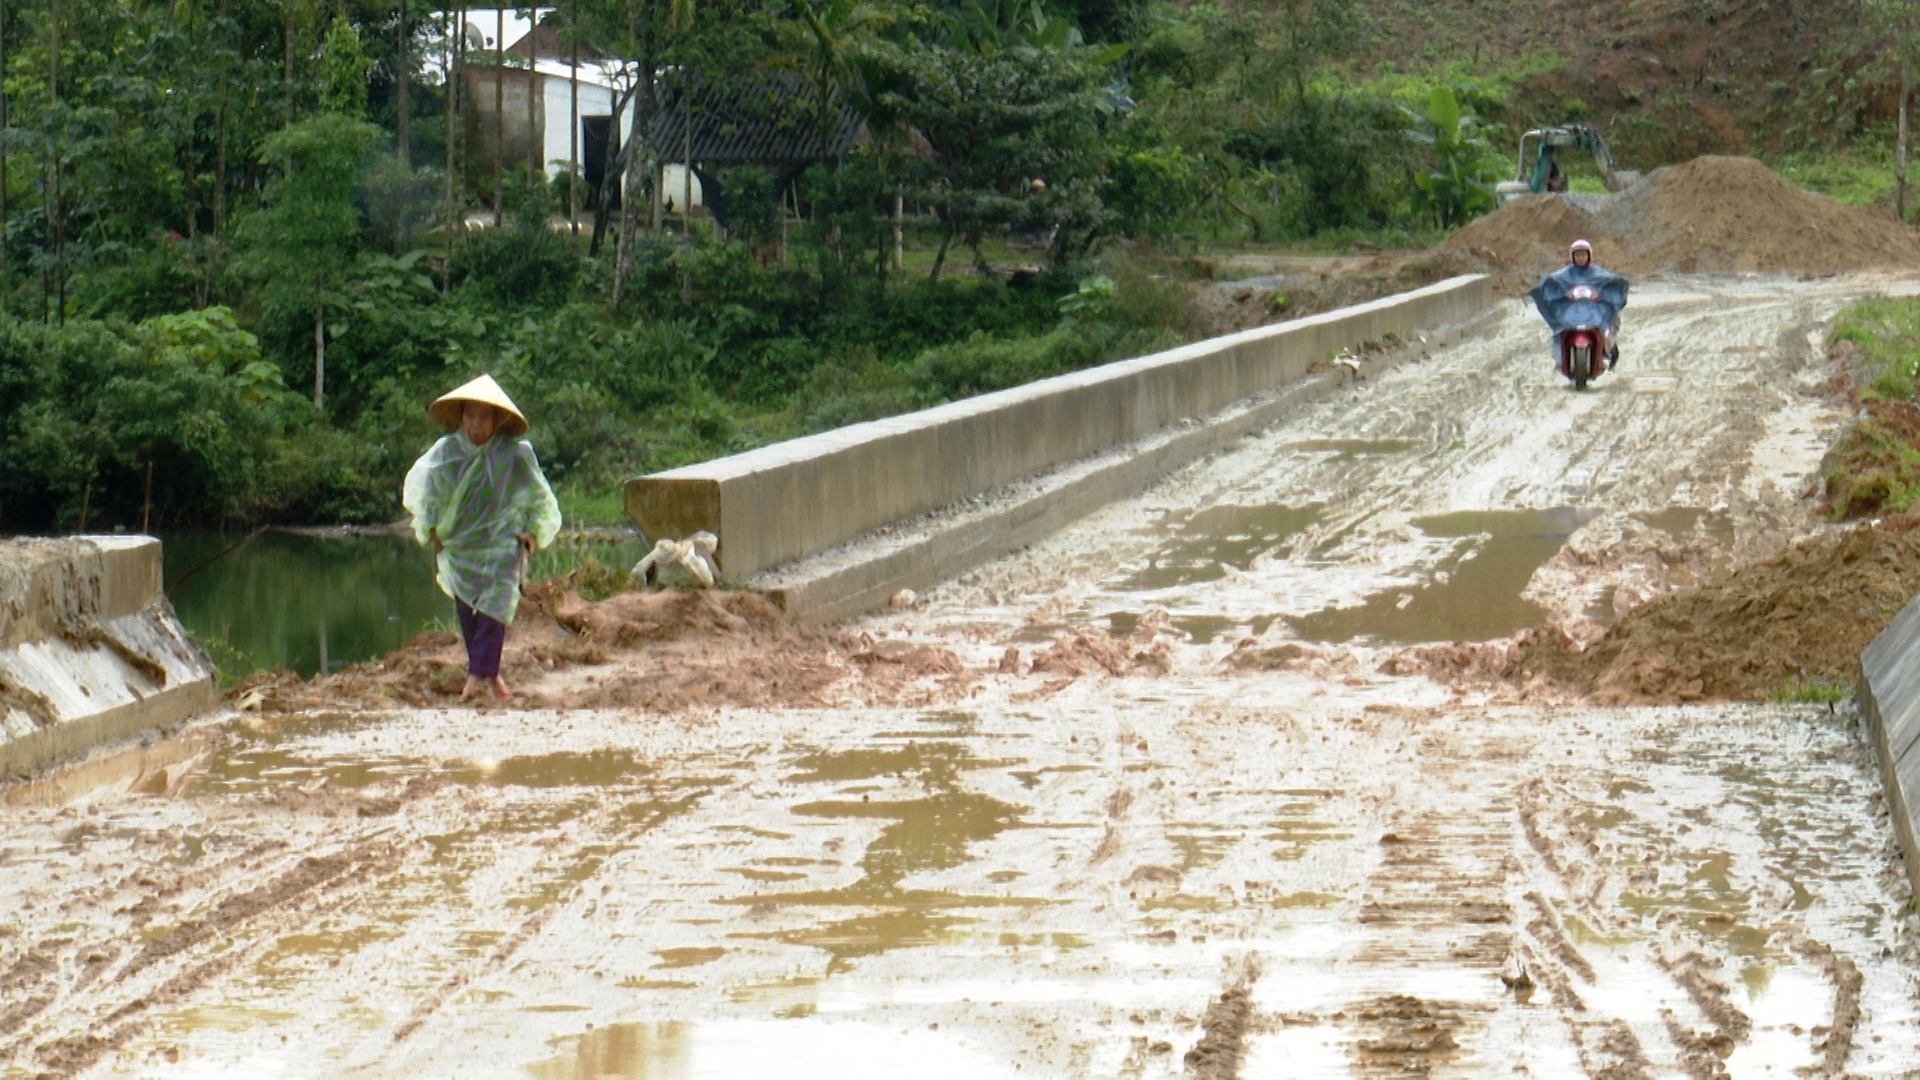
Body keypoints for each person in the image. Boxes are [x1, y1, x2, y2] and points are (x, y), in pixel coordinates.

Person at [403, 374, 561, 700]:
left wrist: (533, 531)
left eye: (483, 417)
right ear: (461, 418)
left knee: (496, 608)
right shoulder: (446, 453)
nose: (476, 425)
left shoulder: (514, 455)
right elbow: (427, 490)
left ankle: (480, 675)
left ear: (496, 419)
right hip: (461, 543)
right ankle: (486, 672)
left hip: (502, 543)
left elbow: (538, 496)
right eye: (469, 416)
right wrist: (430, 528)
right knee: (467, 606)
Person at [1529, 239, 1628, 372]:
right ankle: (1560, 359)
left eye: (1583, 255)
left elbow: (1613, 282)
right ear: (1572, 256)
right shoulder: (1564, 274)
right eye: (1577, 255)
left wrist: (1600, 294)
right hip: (1571, 310)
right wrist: (1564, 293)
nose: (1581, 258)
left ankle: (1607, 351)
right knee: (1561, 329)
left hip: (1594, 309)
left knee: (1607, 327)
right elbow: (1551, 282)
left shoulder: (1598, 273)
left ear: (1589, 256)